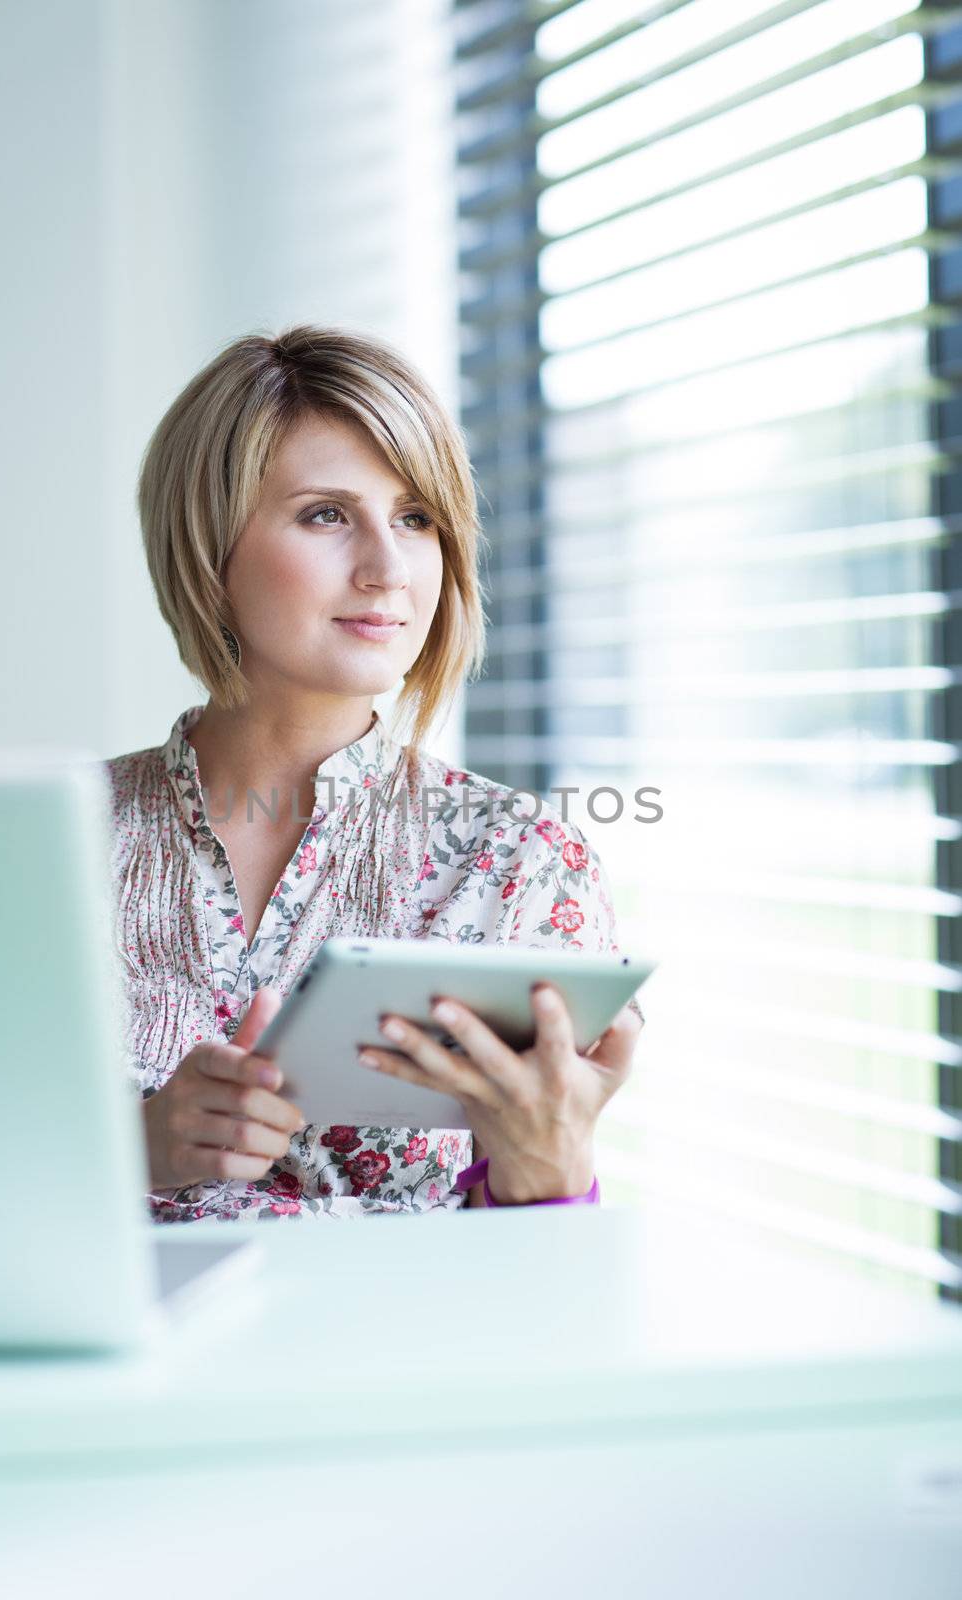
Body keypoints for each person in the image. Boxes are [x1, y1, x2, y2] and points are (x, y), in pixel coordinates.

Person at [105, 323, 643, 1223]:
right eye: (326, 514)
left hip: (402, 1361)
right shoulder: (43, 852)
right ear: (207, 544)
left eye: (415, 518)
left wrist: (550, 1171)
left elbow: (542, 1298)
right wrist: (132, 1148)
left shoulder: (521, 864)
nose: (389, 569)